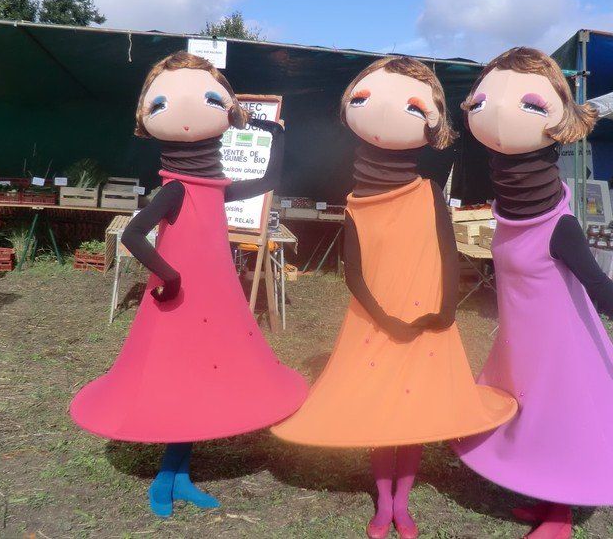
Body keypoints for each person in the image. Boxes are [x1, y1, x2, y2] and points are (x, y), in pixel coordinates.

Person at [271, 56, 517, 539]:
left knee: (415, 413)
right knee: (382, 414)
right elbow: (354, 273)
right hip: (376, 323)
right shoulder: (357, 204)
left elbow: (448, 253)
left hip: (427, 321)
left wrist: (445, 310)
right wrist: (384, 319)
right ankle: (384, 503)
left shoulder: (428, 192)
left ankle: (401, 503)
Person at [69, 51, 308, 518]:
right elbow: (134, 235)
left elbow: (269, 179)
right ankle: (167, 477)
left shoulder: (214, 189)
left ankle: (178, 476)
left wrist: (275, 134)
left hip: (213, 303)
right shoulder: (175, 189)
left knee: (200, 379)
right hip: (177, 303)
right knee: (176, 380)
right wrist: (171, 275)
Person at [452, 46, 612, 539]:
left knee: (554, 419)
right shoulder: (507, 211)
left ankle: (559, 516)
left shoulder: (559, 226)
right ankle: (544, 495)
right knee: (525, 414)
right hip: (519, 339)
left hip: (558, 347)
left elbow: (599, 287)